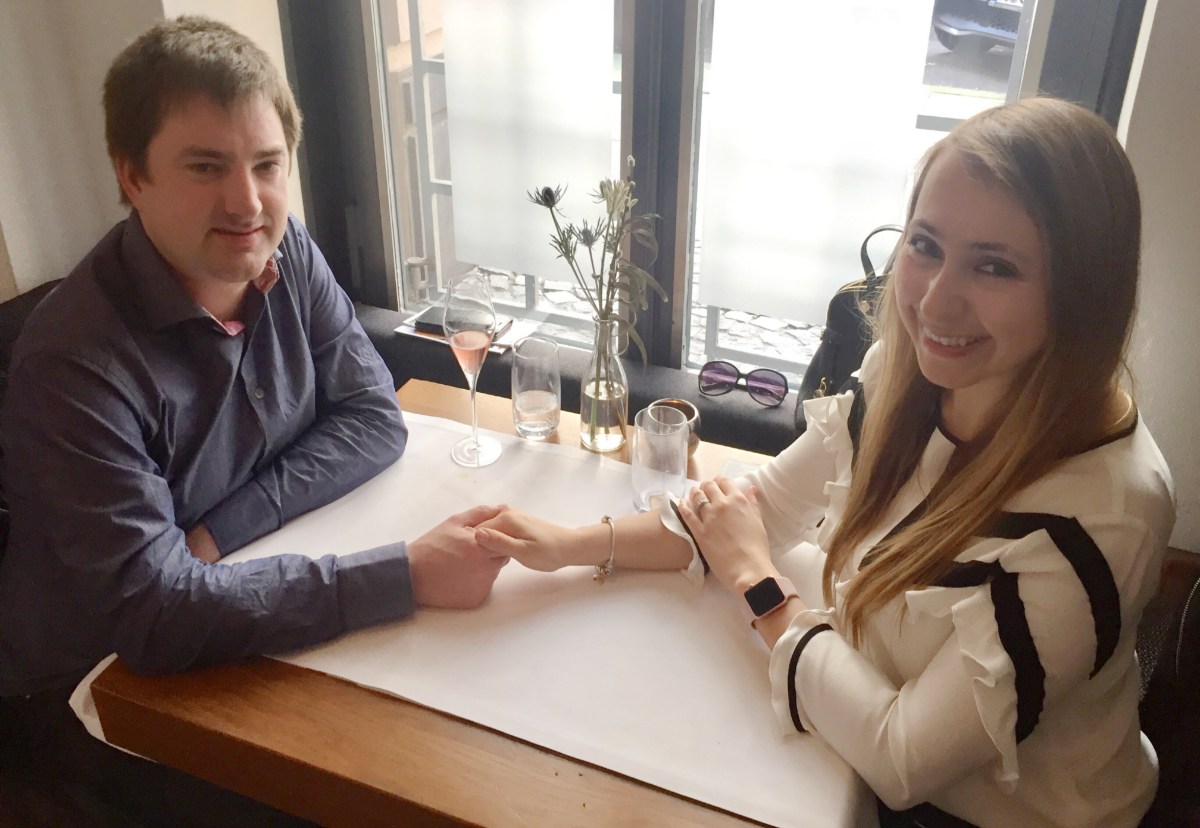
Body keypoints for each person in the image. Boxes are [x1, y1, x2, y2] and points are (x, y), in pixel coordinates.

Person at [474, 97, 1176, 828]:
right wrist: (573, 544)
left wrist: (759, 585)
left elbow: (902, 760)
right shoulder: (904, 374)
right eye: (925, 245)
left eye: (994, 267)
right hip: (864, 700)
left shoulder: (1103, 518)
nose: (936, 303)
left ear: (1081, 291)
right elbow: (758, 509)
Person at [0, 16, 506, 824]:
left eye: (267, 165)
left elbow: (373, 416)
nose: (246, 202)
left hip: (226, 588)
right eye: (206, 167)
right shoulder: (73, 364)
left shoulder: (285, 251)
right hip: (88, 691)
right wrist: (404, 575)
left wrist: (217, 531)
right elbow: (155, 615)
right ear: (132, 175)